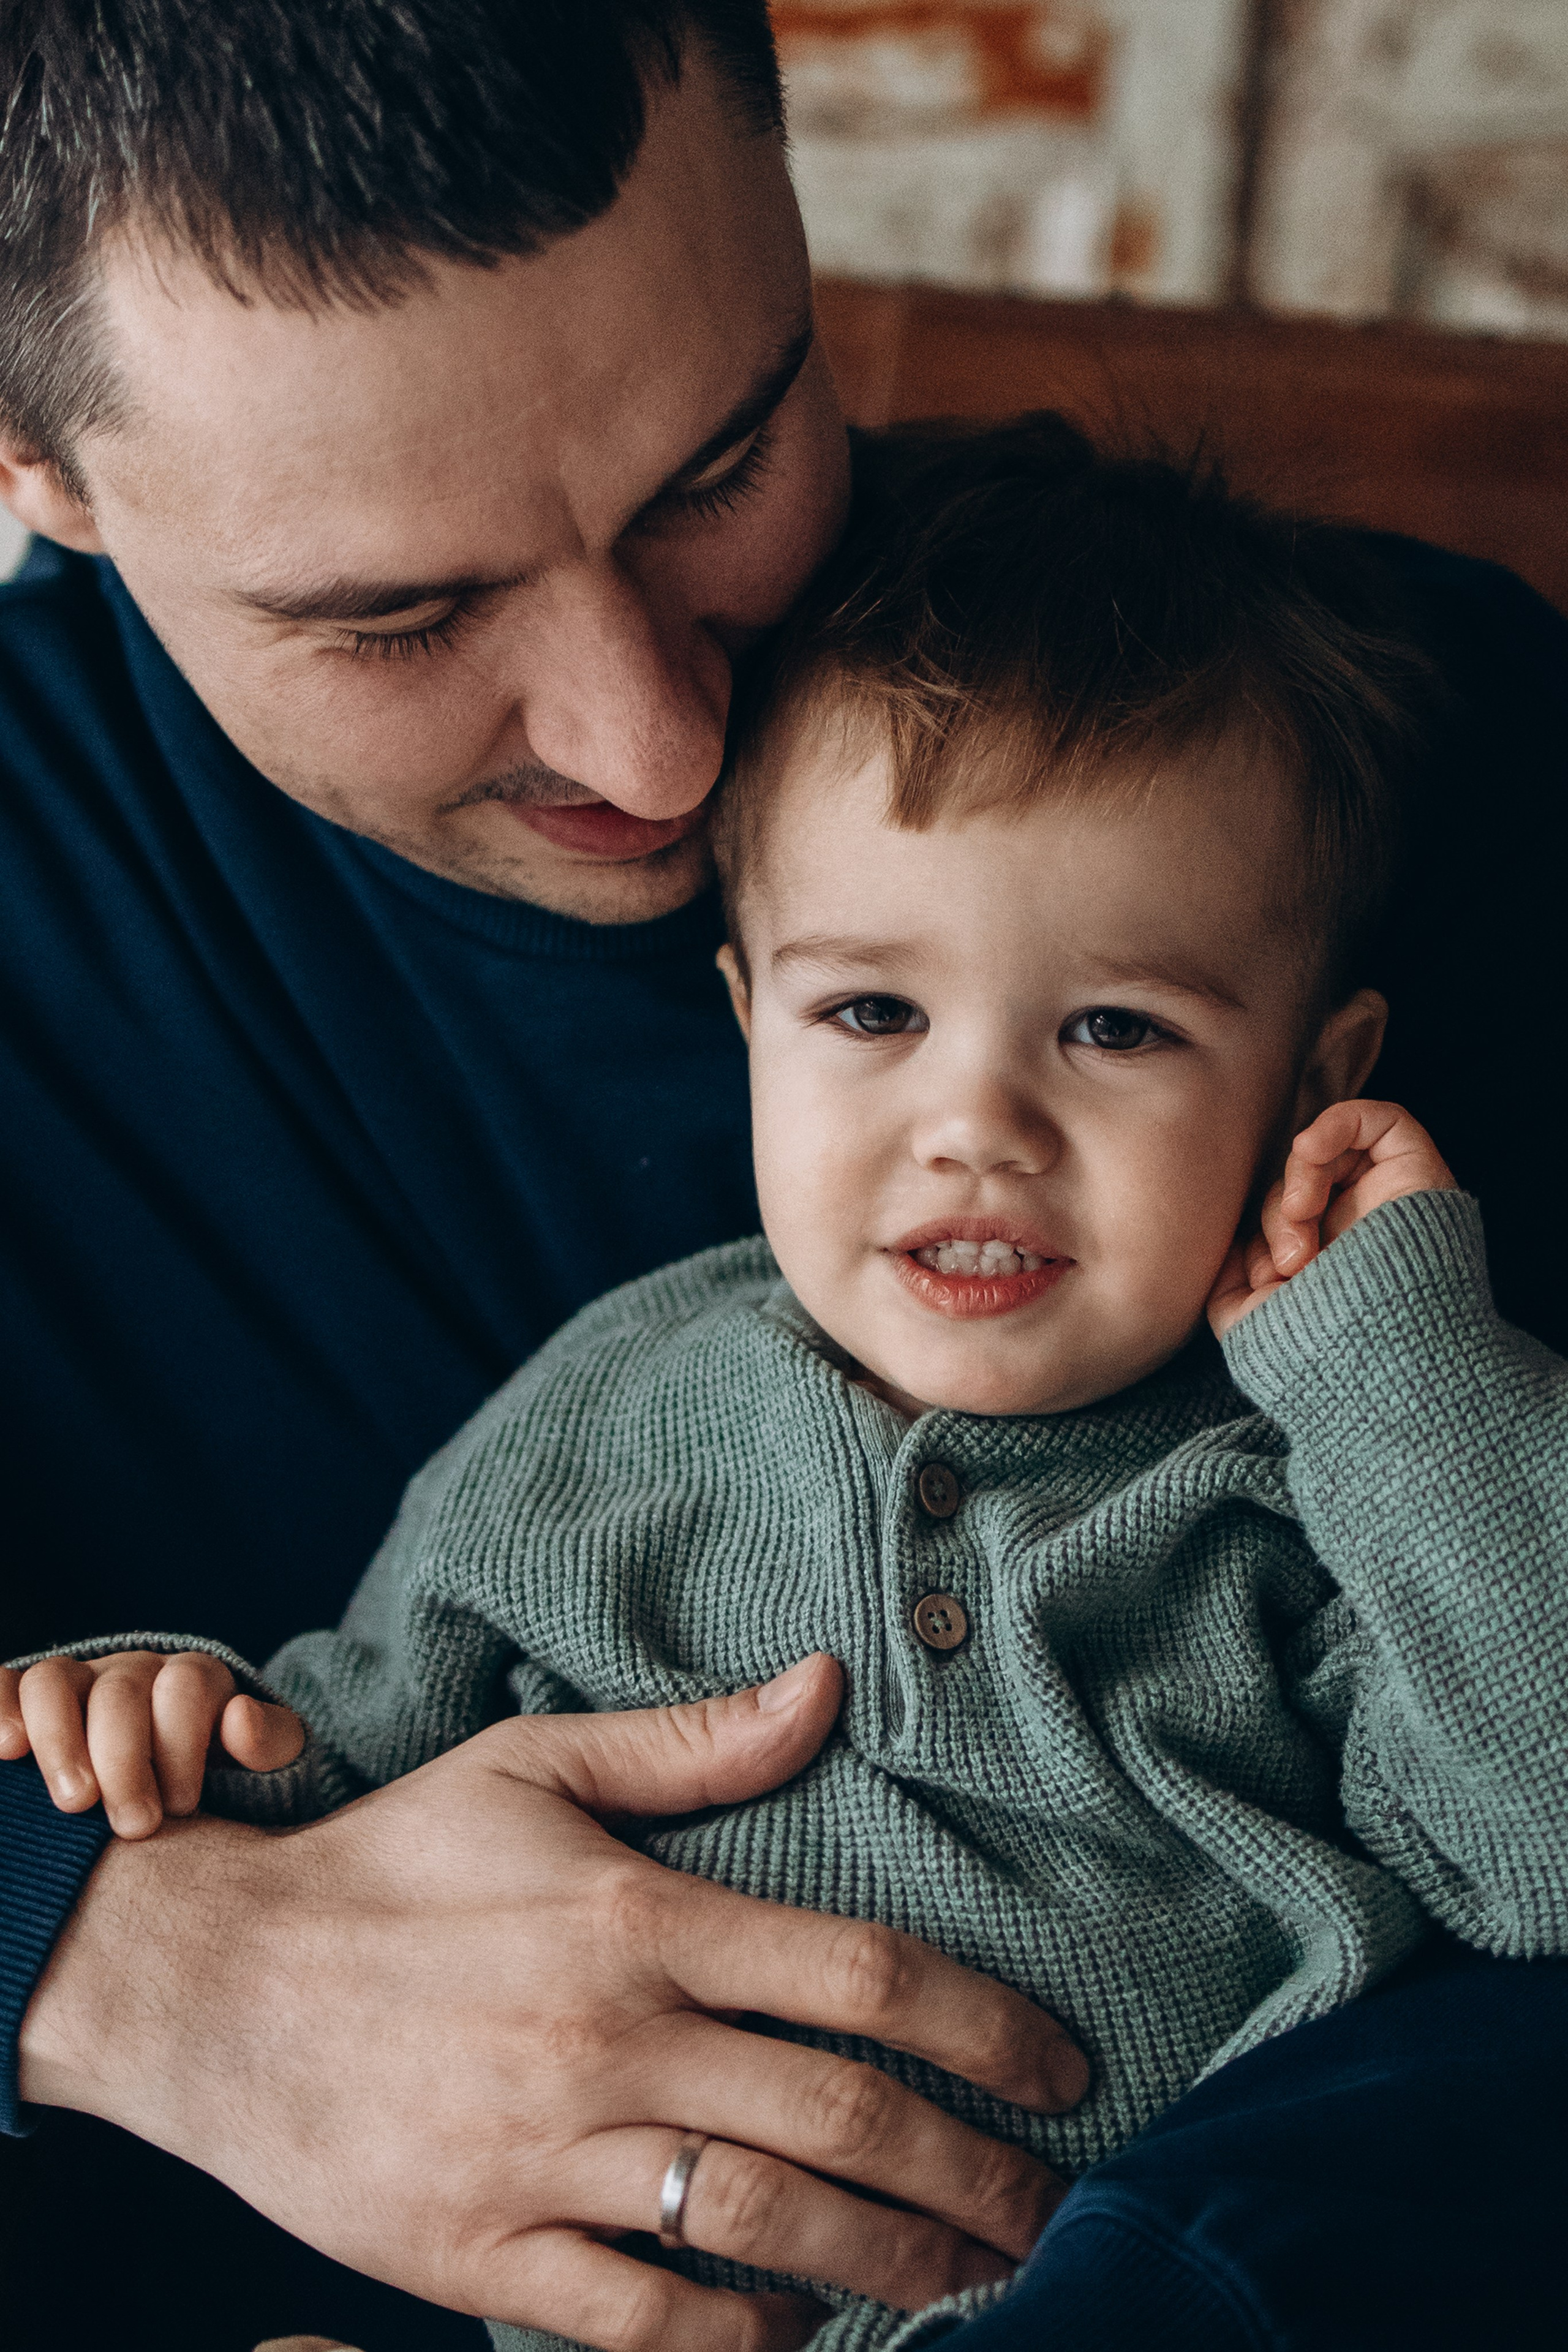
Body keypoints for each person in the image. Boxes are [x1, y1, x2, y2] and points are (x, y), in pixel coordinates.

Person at [1, 6, 1565, 2351]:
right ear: (46, 466)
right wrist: (99, 1946)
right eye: (399, 621)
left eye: (725, 460)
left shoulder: (1357, 763)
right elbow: (287, 1731)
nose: (654, 744)